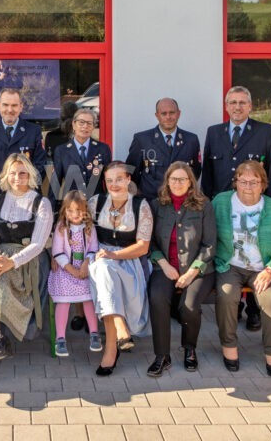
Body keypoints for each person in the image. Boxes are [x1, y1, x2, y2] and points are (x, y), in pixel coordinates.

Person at [202, 86, 271, 332]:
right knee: (231, 252)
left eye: (242, 103)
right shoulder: (214, 132)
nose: (237, 107)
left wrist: (268, 205)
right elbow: (208, 171)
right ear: (226, 106)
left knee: (254, 254)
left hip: (256, 208)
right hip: (225, 210)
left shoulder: (265, 131)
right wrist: (210, 201)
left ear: (250, 106)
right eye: (233, 102)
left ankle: (254, 310)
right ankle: (234, 305)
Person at [0, 154, 53, 389]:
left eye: (23, 173)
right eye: (13, 173)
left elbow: (38, 245)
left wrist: (11, 262)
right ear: (6, 175)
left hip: (27, 261)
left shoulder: (41, 203)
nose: (18, 178)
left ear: (31, 175)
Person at [212, 161, 271, 377]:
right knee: (227, 295)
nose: (248, 186)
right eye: (243, 181)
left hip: (263, 267)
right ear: (236, 182)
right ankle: (229, 347)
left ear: (263, 185)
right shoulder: (221, 202)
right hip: (230, 264)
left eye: (254, 182)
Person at [147, 162, 216, 377]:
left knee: (189, 306)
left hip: (198, 269)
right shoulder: (156, 205)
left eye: (182, 179)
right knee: (157, 298)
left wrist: (192, 272)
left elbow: (210, 244)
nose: (177, 183)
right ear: (167, 181)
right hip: (165, 268)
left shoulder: (204, 205)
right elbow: (149, 242)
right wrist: (163, 264)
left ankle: (189, 349)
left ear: (190, 182)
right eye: (173, 179)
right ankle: (162, 355)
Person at [88, 161, 152, 376]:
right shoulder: (96, 202)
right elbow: (84, 235)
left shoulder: (140, 205)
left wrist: (114, 255)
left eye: (118, 179)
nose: (113, 184)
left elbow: (142, 247)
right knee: (103, 268)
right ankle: (116, 336)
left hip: (130, 261)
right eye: (109, 180)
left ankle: (113, 341)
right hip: (100, 259)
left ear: (128, 180)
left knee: (104, 269)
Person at [50, 107, 112, 332]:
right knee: (75, 257)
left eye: (90, 123)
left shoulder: (103, 149)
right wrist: (55, 219)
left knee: (92, 258)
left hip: (95, 213)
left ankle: (94, 308)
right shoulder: (61, 150)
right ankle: (79, 311)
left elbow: (106, 183)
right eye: (81, 122)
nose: (86, 126)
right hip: (73, 214)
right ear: (73, 125)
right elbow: (56, 183)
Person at [49, 190, 101, 357]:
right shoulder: (61, 228)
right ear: (65, 211)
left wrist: (86, 264)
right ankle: (60, 338)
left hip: (84, 269)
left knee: (88, 297)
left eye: (78, 210)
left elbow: (93, 249)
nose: (74, 214)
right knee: (63, 301)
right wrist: (72, 270)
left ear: (84, 210)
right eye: (70, 210)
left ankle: (94, 334)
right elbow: (58, 252)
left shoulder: (89, 228)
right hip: (66, 270)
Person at [0, 88, 47, 200]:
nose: (9, 109)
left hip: (26, 197)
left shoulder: (34, 131)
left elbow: (40, 166)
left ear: (21, 107)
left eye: (14, 105)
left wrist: (24, 191)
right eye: (5, 105)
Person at [125, 98, 201, 202]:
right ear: (157, 115)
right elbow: (130, 171)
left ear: (178, 114)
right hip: (150, 202)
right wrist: (138, 196)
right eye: (163, 113)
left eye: (172, 113)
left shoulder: (191, 140)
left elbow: (195, 171)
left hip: (182, 202)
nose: (168, 117)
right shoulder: (142, 139)